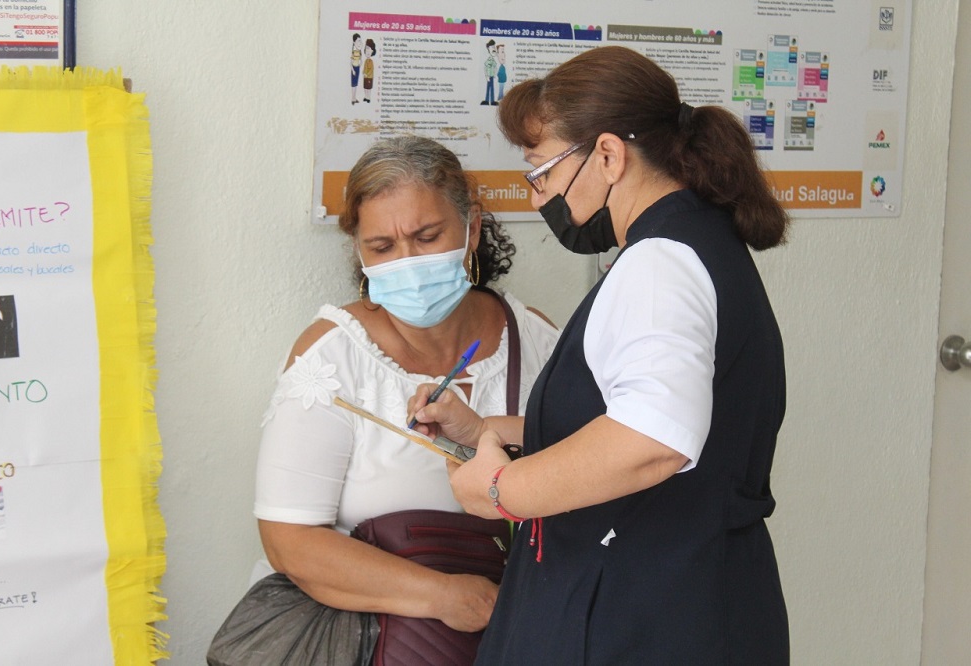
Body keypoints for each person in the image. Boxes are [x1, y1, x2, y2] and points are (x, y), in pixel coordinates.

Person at [408, 46, 791, 664]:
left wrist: (501, 490)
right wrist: (486, 432)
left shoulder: (660, 263)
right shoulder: (695, 240)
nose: (537, 197)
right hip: (687, 592)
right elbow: (646, 417)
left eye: (541, 172)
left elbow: (652, 440)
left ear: (609, 155)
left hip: (649, 610)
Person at [253, 136, 560, 637]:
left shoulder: (539, 342)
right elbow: (288, 540)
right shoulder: (332, 358)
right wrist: (445, 597)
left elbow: (592, 466)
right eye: (383, 247)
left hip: (523, 632)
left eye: (427, 236)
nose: (408, 262)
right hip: (374, 642)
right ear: (360, 252)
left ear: (472, 228)